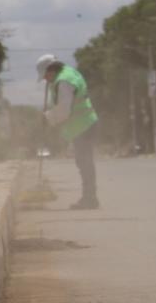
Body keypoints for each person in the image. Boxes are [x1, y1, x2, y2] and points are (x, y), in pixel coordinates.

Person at [36, 54, 100, 209]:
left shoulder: (63, 81)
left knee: (85, 163)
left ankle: (90, 199)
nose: (46, 80)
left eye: (45, 76)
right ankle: (90, 197)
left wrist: (48, 117)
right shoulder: (68, 73)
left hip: (82, 125)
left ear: (51, 70)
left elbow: (65, 109)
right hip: (85, 123)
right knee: (84, 162)